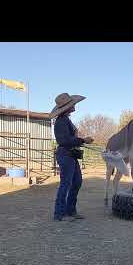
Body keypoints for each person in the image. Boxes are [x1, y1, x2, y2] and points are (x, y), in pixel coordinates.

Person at [50, 93, 94, 221]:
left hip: (70, 155)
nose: (74, 105)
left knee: (76, 182)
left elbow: (70, 139)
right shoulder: (61, 122)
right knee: (66, 184)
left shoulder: (66, 120)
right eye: (72, 104)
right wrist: (83, 140)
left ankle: (70, 210)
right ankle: (59, 213)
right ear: (67, 107)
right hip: (65, 155)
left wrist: (80, 141)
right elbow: (64, 140)